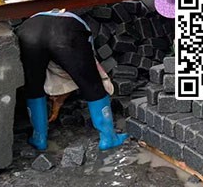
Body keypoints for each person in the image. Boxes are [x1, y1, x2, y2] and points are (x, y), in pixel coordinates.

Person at [16, 9, 128, 151]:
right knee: (92, 85)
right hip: (67, 32)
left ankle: (39, 138)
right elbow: (83, 72)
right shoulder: (78, 26)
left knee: (33, 87)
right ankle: (108, 138)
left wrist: (58, 101)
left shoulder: (34, 19)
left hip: (28, 33)